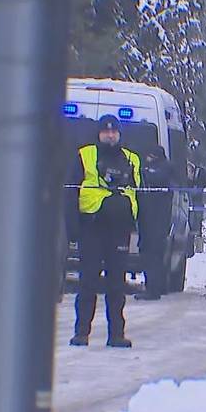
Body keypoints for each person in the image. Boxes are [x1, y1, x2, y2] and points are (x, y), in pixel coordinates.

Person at [68, 116, 141, 347]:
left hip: (119, 230)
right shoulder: (85, 155)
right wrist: (72, 227)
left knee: (116, 284)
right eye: (105, 132)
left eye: (114, 132)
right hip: (92, 227)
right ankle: (81, 333)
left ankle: (116, 334)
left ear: (120, 134)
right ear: (98, 134)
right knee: (88, 281)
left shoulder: (132, 159)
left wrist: (141, 228)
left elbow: (142, 193)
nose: (110, 135)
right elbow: (70, 192)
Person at [135, 145, 174, 301]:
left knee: (152, 255)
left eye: (150, 156)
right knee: (154, 254)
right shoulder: (159, 169)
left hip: (155, 220)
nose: (148, 159)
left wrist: (143, 172)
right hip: (152, 219)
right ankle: (158, 286)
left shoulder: (163, 169)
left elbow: (156, 178)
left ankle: (153, 289)